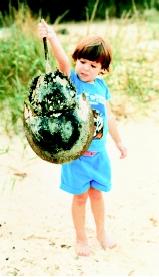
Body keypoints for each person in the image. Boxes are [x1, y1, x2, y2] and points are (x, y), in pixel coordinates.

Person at [38, 19, 127, 256]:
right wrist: (53, 37)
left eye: (93, 65)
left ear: (102, 70)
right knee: (80, 198)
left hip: (99, 154)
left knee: (97, 195)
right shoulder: (73, 82)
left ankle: (101, 232)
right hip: (76, 156)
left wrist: (119, 142)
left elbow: (109, 118)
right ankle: (80, 238)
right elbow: (62, 62)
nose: (85, 68)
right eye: (83, 61)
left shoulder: (101, 88)